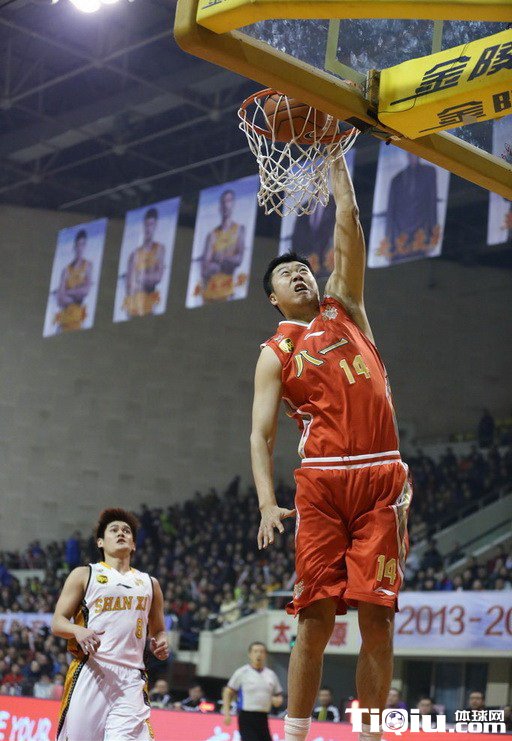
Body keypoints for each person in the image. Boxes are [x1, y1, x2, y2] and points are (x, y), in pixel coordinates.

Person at [250, 153, 413, 741]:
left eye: (303, 268)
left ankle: (368, 733)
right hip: (320, 483)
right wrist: (267, 503)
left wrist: (335, 155)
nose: (299, 275)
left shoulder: (346, 307)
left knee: (378, 619)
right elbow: (260, 434)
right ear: (273, 298)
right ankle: (295, 733)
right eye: (286, 274)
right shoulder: (275, 353)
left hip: (379, 478)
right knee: (314, 621)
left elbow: (349, 218)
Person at [51, 508, 169, 740]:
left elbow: (159, 630)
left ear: (134, 545)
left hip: (131, 677)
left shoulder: (149, 583)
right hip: (92, 669)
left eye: (126, 531)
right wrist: (77, 630)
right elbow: (57, 622)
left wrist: (162, 642)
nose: (121, 533)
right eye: (114, 530)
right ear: (100, 542)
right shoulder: (84, 574)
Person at [383, 153, 438, 262]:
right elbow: (391, 211)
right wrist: (388, 241)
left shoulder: (428, 173)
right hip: (400, 234)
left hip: (421, 231)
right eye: (410, 155)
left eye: (414, 155)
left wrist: (433, 234)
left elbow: (432, 204)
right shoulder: (397, 180)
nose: (412, 157)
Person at [222, 641, 283, 741]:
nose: (258, 654)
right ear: (250, 654)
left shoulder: (271, 674)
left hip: (263, 716)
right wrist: (226, 713)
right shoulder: (242, 672)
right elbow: (228, 692)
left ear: (265, 655)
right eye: (255, 651)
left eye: (261, 652)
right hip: (246, 716)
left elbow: (278, 695)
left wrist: (278, 700)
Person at [200, 189, 245, 302]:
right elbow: (205, 268)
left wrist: (220, 258)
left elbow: (239, 259)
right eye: (223, 202)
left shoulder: (239, 230)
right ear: (220, 206)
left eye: (229, 201)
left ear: (233, 204)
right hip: (210, 291)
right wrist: (226, 261)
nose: (226, 205)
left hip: (228, 290)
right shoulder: (212, 235)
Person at [124, 207, 165, 317]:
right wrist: (148, 277)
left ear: (155, 226)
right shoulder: (134, 255)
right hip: (135, 305)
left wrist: (139, 277)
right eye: (146, 225)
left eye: (151, 224)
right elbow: (130, 284)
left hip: (150, 303)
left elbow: (158, 277)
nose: (148, 228)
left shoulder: (159, 249)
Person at [55, 229, 93, 332]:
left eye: (83, 244)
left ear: (85, 246)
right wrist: (76, 295)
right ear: (75, 246)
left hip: (79, 317)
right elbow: (60, 299)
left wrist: (67, 292)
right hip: (64, 318)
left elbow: (86, 291)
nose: (80, 248)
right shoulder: (66, 270)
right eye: (79, 244)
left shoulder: (87, 266)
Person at [291, 199, 336, 279]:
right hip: (309, 272)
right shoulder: (303, 207)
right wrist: (305, 260)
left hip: (331, 272)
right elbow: (296, 241)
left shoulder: (336, 203)